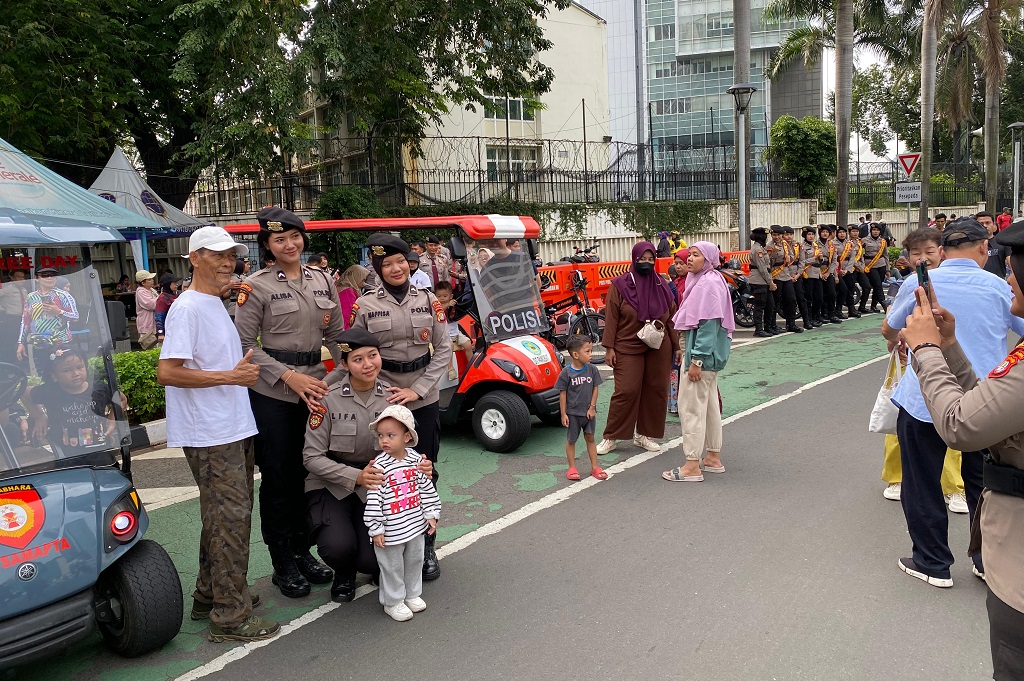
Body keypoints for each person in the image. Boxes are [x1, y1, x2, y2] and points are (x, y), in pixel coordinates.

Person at [899, 220, 1024, 676]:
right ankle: (980, 560)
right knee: (974, 482)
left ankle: (933, 561)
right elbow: (988, 402)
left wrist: (929, 349)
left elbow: (962, 423)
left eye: (1014, 271)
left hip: (930, 405)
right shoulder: (993, 287)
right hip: (985, 409)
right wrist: (950, 347)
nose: (1005, 277)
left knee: (922, 484)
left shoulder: (917, 286)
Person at [155, 226, 277, 642]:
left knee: (222, 517)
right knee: (230, 519)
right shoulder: (187, 308)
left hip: (230, 426)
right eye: (217, 255)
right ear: (193, 258)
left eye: (232, 255)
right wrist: (232, 375)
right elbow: (167, 372)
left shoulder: (212, 303)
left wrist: (236, 377)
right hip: (210, 433)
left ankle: (212, 595)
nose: (229, 262)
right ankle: (230, 615)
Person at [234, 206, 344, 598]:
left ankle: (302, 550)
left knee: (309, 471)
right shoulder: (255, 286)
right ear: (266, 245)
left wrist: (334, 376)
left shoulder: (322, 280)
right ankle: (282, 559)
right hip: (274, 394)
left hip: (317, 389)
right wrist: (288, 376)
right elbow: (245, 345)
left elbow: (338, 336)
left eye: (294, 236)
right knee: (280, 478)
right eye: (279, 239)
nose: (289, 244)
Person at [303, 328, 434, 602]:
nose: (367, 364)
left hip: (379, 483)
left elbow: (406, 446)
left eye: (372, 356)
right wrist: (356, 476)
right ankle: (344, 573)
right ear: (344, 364)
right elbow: (311, 457)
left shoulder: (393, 398)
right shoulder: (327, 400)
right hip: (333, 482)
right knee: (338, 546)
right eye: (358, 359)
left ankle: (372, 566)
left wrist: (421, 465)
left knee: (375, 558)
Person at [350, 234, 451, 581]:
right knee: (389, 474)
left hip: (423, 398)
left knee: (425, 470)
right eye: (386, 264)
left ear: (410, 264)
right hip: (385, 399)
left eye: (399, 262)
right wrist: (377, 389)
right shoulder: (363, 306)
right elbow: (352, 354)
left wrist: (419, 390)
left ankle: (427, 548)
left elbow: (443, 349)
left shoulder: (427, 300)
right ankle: (389, 544)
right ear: (377, 268)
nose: (395, 269)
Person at [878, 229, 967, 512]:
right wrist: (897, 342)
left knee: (952, 423)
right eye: (916, 253)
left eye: (928, 251)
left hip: (952, 362)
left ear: (941, 252)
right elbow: (889, 327)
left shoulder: (960, 281)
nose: (923, 258)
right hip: (912, 362)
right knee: (902, 418)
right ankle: (896, 477)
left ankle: (955, 486)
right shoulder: (907, 285)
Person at [596, 241, 680, 455]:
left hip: (659, 345)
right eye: (642, 259)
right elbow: (612, 317)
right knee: (626, 390)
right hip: (626, 344)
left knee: (656, 390)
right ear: (634, 259)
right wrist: (609, 348)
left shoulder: (661, 284)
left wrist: (677, 347)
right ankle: (611, 436)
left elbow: (671, 318)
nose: (646, 263)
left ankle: (643, 435)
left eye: (651, 259)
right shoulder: (620, 285)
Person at [663, 242, 735, 482]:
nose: (690, 259)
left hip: (702, 358)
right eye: (690, 254)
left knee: (691, 409)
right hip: (707, 358)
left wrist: (697, 361)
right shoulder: (707, 280)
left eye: (696, 255)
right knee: (710, 407)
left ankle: (691, 466)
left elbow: (707, 326)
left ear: (709, 259)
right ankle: (712, 458)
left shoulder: (708, 284)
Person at [363, 404, 441, 622]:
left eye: (391, 435)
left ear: (407, 437)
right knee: (391, 567)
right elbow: (374, 499)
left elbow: (426, 488)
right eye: (380, 435)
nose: (384, 440)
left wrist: (431, 514)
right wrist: (375, 528)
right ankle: (393, 601)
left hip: (415, 525)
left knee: (414, 561)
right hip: (390, 530)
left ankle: (412, 594)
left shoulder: (416, 460)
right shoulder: (379, 465)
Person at [25, 347, 123, 457]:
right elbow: (24, 393)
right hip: (66, 454)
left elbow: (121, 399)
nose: (75, 373)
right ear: (53, 375)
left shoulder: (98, 388)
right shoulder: (50, 391)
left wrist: (112, 419)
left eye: (80, 367)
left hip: (101, 449)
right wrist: (39, 415)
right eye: (67, 370)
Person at [555, 335, 607, 482]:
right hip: (573, 414)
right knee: (571, 440)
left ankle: (595, 466)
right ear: (575, 355)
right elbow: (563, 393)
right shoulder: (566, 373)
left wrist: (592, 408)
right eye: (588, 351)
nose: (591, 354)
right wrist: (563, 413)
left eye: (591, 351)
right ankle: (572, 467)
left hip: (589, 413)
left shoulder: (592, 370)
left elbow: (595, 389)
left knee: (590, 438)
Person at [17, 267, 79, 363]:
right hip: (39, 344)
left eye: (52, 275)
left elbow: (75, 317)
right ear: (36, 278)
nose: (49, 278)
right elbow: (25, 321)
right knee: (43, 375)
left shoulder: (63, 295)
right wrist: (21, 342)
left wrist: (59, 311)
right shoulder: (31, 297)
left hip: (61, 343)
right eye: (45, 275)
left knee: (63, 373)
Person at [768, 225, 801, 333]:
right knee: (775, 301)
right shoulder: (769, 246)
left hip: (786, 275)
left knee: (791, 299)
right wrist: (774, 254)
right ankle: (772, 324)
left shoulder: (785, 244)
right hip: (776, 274)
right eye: (774, 235)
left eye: (778, 235)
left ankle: (791, 323)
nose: (776, 237)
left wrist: (789, 258)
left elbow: (792, 256)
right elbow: (767, 263)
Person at [433, 280, 473, 365]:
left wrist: (456, 305)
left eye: (445, 296)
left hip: (456, 333)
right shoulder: (436, 306)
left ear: (451, 296)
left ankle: (471, 365)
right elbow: (440, 311)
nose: (442, 298)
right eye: (439, 296)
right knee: (450, 346)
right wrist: (447, 305)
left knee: (468, 344)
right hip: (443, 334)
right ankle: (450, 368)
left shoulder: (453, 303)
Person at [748, 227, 777, 338]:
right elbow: (762, 268)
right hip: (758, 280)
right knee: (760, 306)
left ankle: (767, 327)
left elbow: (768, 265)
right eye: (765, 236)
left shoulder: (761, 248)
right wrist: (770, 282)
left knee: (770, 305)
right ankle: (759, 329)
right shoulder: (757, 250)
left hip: (764, 280)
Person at [798, 227, 825, 326]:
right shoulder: (802, 247)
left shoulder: (815, 246)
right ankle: (809, 318)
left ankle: (815, 316)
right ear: (805, 235)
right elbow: (802, 261)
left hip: (817, 273)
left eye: (813, 234)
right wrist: (814, 258)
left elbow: (820, 261)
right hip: (808, 274)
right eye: (809, 234)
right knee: (809, 297)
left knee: (819, 297)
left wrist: (821, 259)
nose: (811, 236)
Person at [0, 270, 28, 365]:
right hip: (11, 320)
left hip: (23, 320)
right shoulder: (6, 288)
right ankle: (11, 364)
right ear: (12, 278)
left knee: (23, 341)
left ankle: (22, 362)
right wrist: (2, 310)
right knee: (11, 342)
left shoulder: (24, 290)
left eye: (23, 277)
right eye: (18, 277)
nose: (22, 279)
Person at [833, 225, 861, 319]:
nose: (842, 234)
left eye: (843, 232)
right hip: (837, 270)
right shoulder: (833, 243)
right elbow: (833, 258)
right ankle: (838, 310)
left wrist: (847, 269)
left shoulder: (849, 244)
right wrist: (839, 270)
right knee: (842, 290)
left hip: (848, 269)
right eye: (840, 232)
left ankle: (851, 309)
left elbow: (852, 258)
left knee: (850, 290)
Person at [860, 223, 888, 313]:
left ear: (880, 232)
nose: (875, 232)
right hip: (870, 265)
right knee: (877, 285)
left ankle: (874, 305)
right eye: (873, 230)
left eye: (877, 230)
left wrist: (888, 268)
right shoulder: (864, 240)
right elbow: (859, 253)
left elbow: (886, 255)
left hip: (881, 264)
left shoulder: (883, 241)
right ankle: (884, 305)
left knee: (878, 285)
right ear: (871, 231)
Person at [818, 225, 843, 324]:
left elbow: (834, 261)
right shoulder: (815, 244)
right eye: (823, 232)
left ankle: (831, 313)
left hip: (829, 271)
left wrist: (829, 273)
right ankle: (823, 313)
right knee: (822, 295)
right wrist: (820, 272)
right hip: (818, 271)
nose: (825, 234)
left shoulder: (831, 245)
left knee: (832, 293)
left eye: (827, 232)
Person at [977, 211, 1011, 278]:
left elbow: (1012, 264)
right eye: (981, 224)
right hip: (978, 285)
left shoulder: (1002, 242)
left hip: (998, 284)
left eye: (988, 223)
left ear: (994, 226)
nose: (985, 226)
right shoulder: (970, 245)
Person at [337, 264, 370, 330]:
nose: (364, 283)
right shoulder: (347, 292)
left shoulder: (344, 287)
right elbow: (349, 316)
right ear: (356, 277)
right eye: (363, 280)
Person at [134, 270, 158, 349]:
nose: (152, 281)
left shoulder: (151, 290)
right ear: (143, 282)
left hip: (154, 323)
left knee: (157, 347)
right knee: (149, 346)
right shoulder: (141, 292)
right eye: (149, 279)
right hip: (146, 323)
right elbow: (151, 305)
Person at [154, 273, 181, 343]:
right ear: (168, 284)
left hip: (178, 329)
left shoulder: (176, 296)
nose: (177, 285)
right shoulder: (162, 299)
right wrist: (160, 333)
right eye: (174, 283)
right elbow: (159, 317)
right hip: (169, 331)